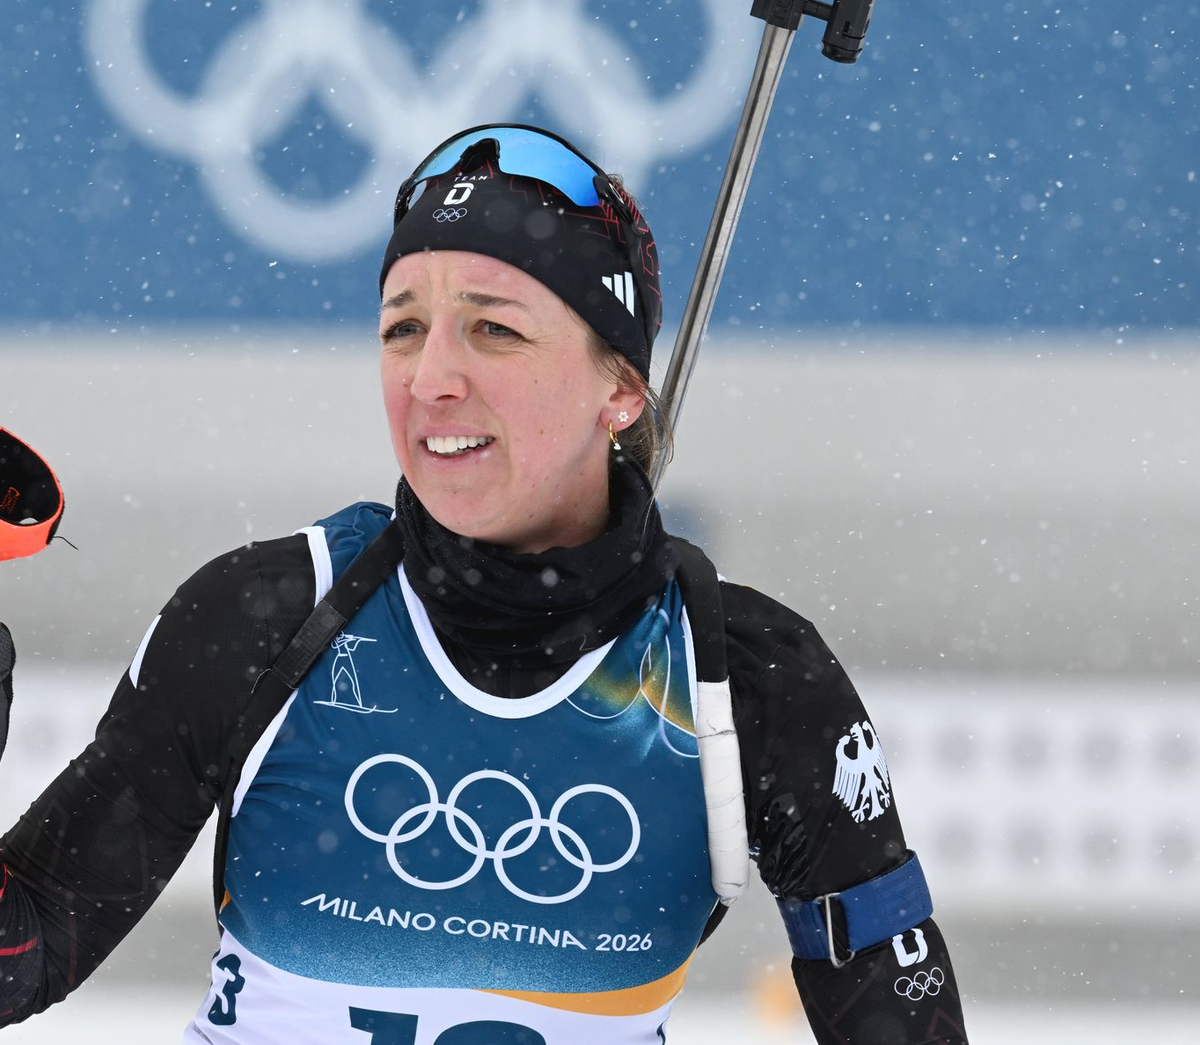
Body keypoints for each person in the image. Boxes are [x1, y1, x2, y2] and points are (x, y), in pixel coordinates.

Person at [0, 124, 969, 1043]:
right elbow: (21, 955)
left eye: (494, 331)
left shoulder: (743, 674)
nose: (431, 379)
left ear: (621, 389)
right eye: (402, 328)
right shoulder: (265, 621)